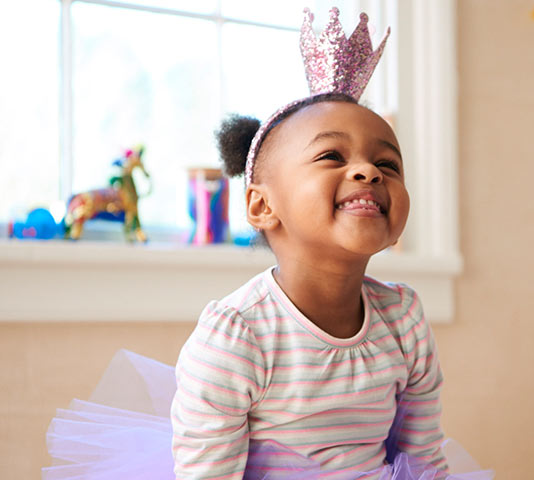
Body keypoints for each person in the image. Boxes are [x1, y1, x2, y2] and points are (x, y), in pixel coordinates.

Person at [43, 7, 493, 480]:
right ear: (261, 207)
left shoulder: (403, 320)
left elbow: (423, 462)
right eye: (331, 155)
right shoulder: (239, 336)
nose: (368, 172)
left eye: (388, 163)